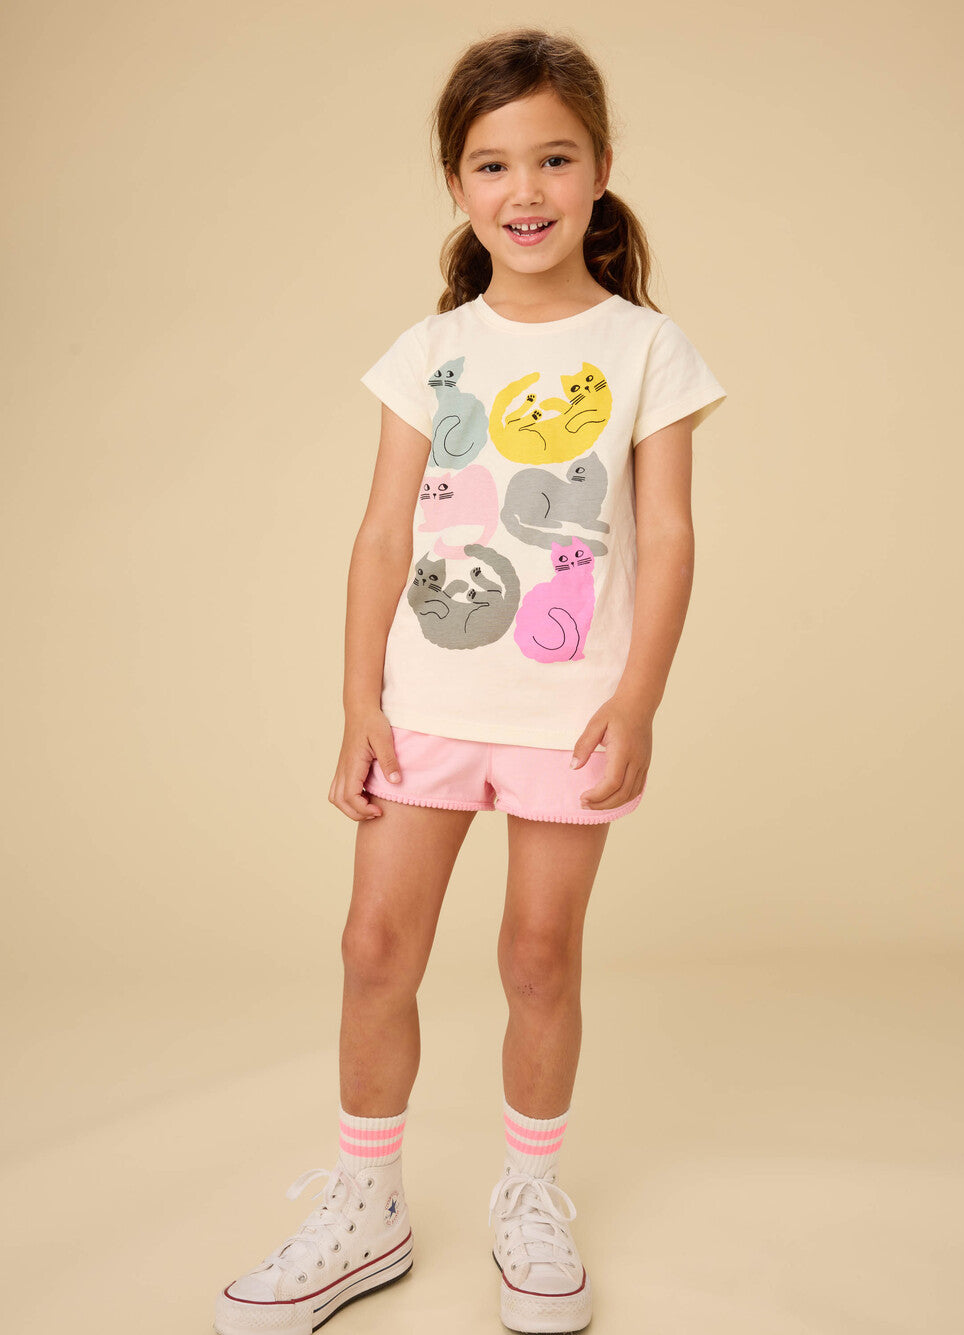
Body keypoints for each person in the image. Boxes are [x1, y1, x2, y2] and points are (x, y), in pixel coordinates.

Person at [214, 24, 726, 1335]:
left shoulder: (646, 349)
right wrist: (359, 703)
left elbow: (667, 536)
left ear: (601, 170)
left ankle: (530, 1198)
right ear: (457, 183)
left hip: (570, 713)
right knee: (374, 947)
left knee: (540, 957)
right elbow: (381, 534)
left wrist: (639, 699)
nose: (526, 190)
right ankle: (366, 1204)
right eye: (494, 165)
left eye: (555, 159)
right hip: (426, 705)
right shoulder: (428, 351)